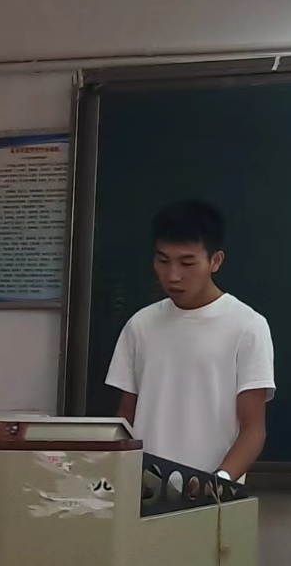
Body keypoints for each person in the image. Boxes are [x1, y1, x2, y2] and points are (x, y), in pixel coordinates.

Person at [106, 201, 275, 482]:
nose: (173, 276)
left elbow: (253, 429)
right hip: (143, 489)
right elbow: (125, 418)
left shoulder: (247, 326)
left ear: (215, 261)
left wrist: (218, 481)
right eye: (163, 261)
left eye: (187, 263)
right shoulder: (140, 325)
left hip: (213, 492)